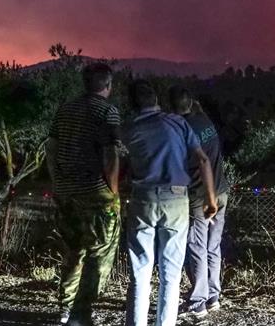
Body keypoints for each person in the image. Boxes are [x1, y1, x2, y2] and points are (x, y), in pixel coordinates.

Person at [123, 80, 218, 326]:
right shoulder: (178, 123)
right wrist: (210, 199)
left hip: (142, 198)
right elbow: (203, 161)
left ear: (133, 104)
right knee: (171, 274)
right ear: (157, 101)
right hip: (176, 199)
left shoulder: (129, 128)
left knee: (140, 272)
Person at [46, 63, 122, 326]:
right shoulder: (108, 112)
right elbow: (110, 154)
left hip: (66, 194)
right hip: (96, 196)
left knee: (72, 253)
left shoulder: (65, 110)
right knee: (99, 255)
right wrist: (113, 191)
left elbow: (51, 149)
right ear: (108, 85)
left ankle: (65, 308)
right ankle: (83, 312)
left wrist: (57, 182)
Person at [168, 87, 228, 319]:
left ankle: (197, 302)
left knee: (196, 247)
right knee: (213, 246)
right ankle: (213, 296)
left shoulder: (182, 129)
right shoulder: (205, 121)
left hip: (200, 196)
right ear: (191, 103)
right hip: (222, 191)